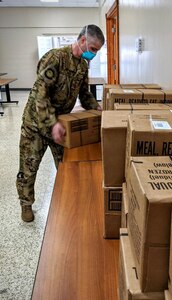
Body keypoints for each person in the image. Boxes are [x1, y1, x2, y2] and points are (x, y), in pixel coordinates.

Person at [16, 25, 105, 222]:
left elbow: (84, 93)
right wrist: (52, 122)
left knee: (67, 166)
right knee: (29, 167)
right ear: (82, 41)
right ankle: (26, 204)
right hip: (36, 125)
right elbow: (40, 95)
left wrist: (96, 107)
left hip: (61, 125)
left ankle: (69, 200)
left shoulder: (83, 65)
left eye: (97, 50)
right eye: (93, 48)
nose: (94, 54)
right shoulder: (54, 58)